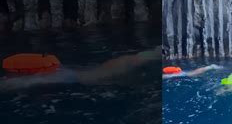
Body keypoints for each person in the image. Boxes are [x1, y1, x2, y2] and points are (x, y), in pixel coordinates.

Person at [0, 46, 163, 90]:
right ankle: (155, 53)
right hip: (84, 73)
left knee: (124, 64)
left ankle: (155, 53)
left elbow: (10, 84)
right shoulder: (52, 73)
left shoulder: (37, 79)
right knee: (126, 62)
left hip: (90, 78)